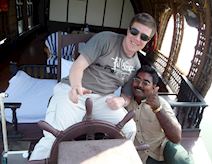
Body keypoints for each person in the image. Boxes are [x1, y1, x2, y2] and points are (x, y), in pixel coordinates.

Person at [29, 13, 157, 160]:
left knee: (129, 129)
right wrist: (76, 86)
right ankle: (37, 160)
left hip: (102, 99)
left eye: (144, 37)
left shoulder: (136, 65)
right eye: (134, 32)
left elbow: (127, 95)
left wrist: (121, 101)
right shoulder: (106, 39)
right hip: (74, 90)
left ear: (148, 41)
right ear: (128, 30)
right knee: (54, 135)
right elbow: (78, 66)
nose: (137, 39)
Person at [126, 65, 193, 164]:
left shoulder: (161, 104)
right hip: (140, 155)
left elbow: (176, 137)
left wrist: (157, 109)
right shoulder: (126, 101)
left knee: (181, 158)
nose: (139, 85)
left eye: (146, 83)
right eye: (137, 80)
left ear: (154, 88)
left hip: (160, 151)